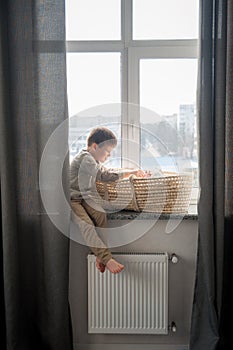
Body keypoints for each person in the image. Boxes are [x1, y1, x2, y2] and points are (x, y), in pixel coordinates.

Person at [70, 127, 147, 274]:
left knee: (100, 215)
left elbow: (108, 171)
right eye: (107, 151)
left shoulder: (93, 160)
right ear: (94, 146)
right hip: (72, 200)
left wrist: (131, 172)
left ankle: (100, 256)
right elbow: (104, 176)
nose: (109, 155)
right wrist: (130, 172)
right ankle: (107, 258)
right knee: (87, 225)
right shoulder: (85, 159)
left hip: (84, 198)